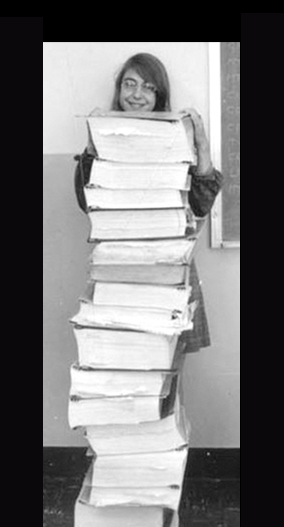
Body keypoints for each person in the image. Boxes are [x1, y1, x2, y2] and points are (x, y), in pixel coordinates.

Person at [74, 52, 222, 353]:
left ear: (159, 95)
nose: (137, 94)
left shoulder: (177, 138)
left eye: (148, 87)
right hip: (119, 269)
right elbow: (85, 202)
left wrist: (202, 146)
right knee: (126, 366)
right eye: (129, 84)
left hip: (169, 269)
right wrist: (92, 147)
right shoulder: (105, 138)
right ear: (119, 91)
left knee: (168, 376)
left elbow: (200, 206)